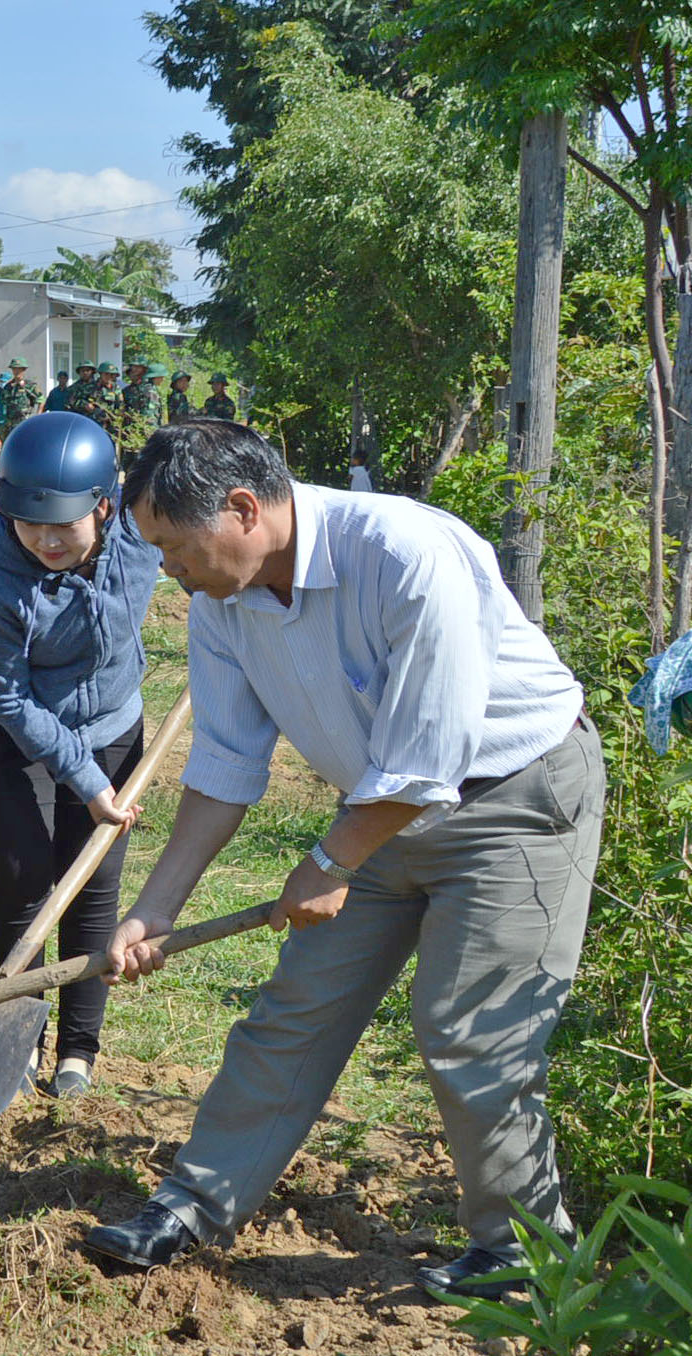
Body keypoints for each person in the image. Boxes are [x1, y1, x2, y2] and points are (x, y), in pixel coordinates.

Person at [83, 421, 603, 1305]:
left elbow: (430, 756)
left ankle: (521, 1253)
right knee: (297, 1009)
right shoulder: (222, 606)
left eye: (173, 546)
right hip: (378, 808)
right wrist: (156, 906)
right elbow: (225, 766)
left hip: (514, 801)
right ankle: (192, 1205)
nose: (168, 570)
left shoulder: (404, 554)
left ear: (243, 509)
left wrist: (330, 860)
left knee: (470, 1028)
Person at [0, 412, 163, 1096]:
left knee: (93, 888)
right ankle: (18, 1038)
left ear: (104, 506)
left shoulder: (140, 535)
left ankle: (77, 1051)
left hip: (113, 728)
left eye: (64, 525)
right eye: (29, 522)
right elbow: (12, 698)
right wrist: (83, 777)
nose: (46, 540)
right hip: (10, 734)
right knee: (23, 882)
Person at [0, 356, 41, 436]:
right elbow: (4, 403)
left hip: (25, 423)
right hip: (10, 424)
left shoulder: (30, 385)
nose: (16, 371)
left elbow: (41, 399)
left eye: (19, 369)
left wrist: (38, 416)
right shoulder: (8, 387)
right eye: (14, 369)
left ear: (23, 370)